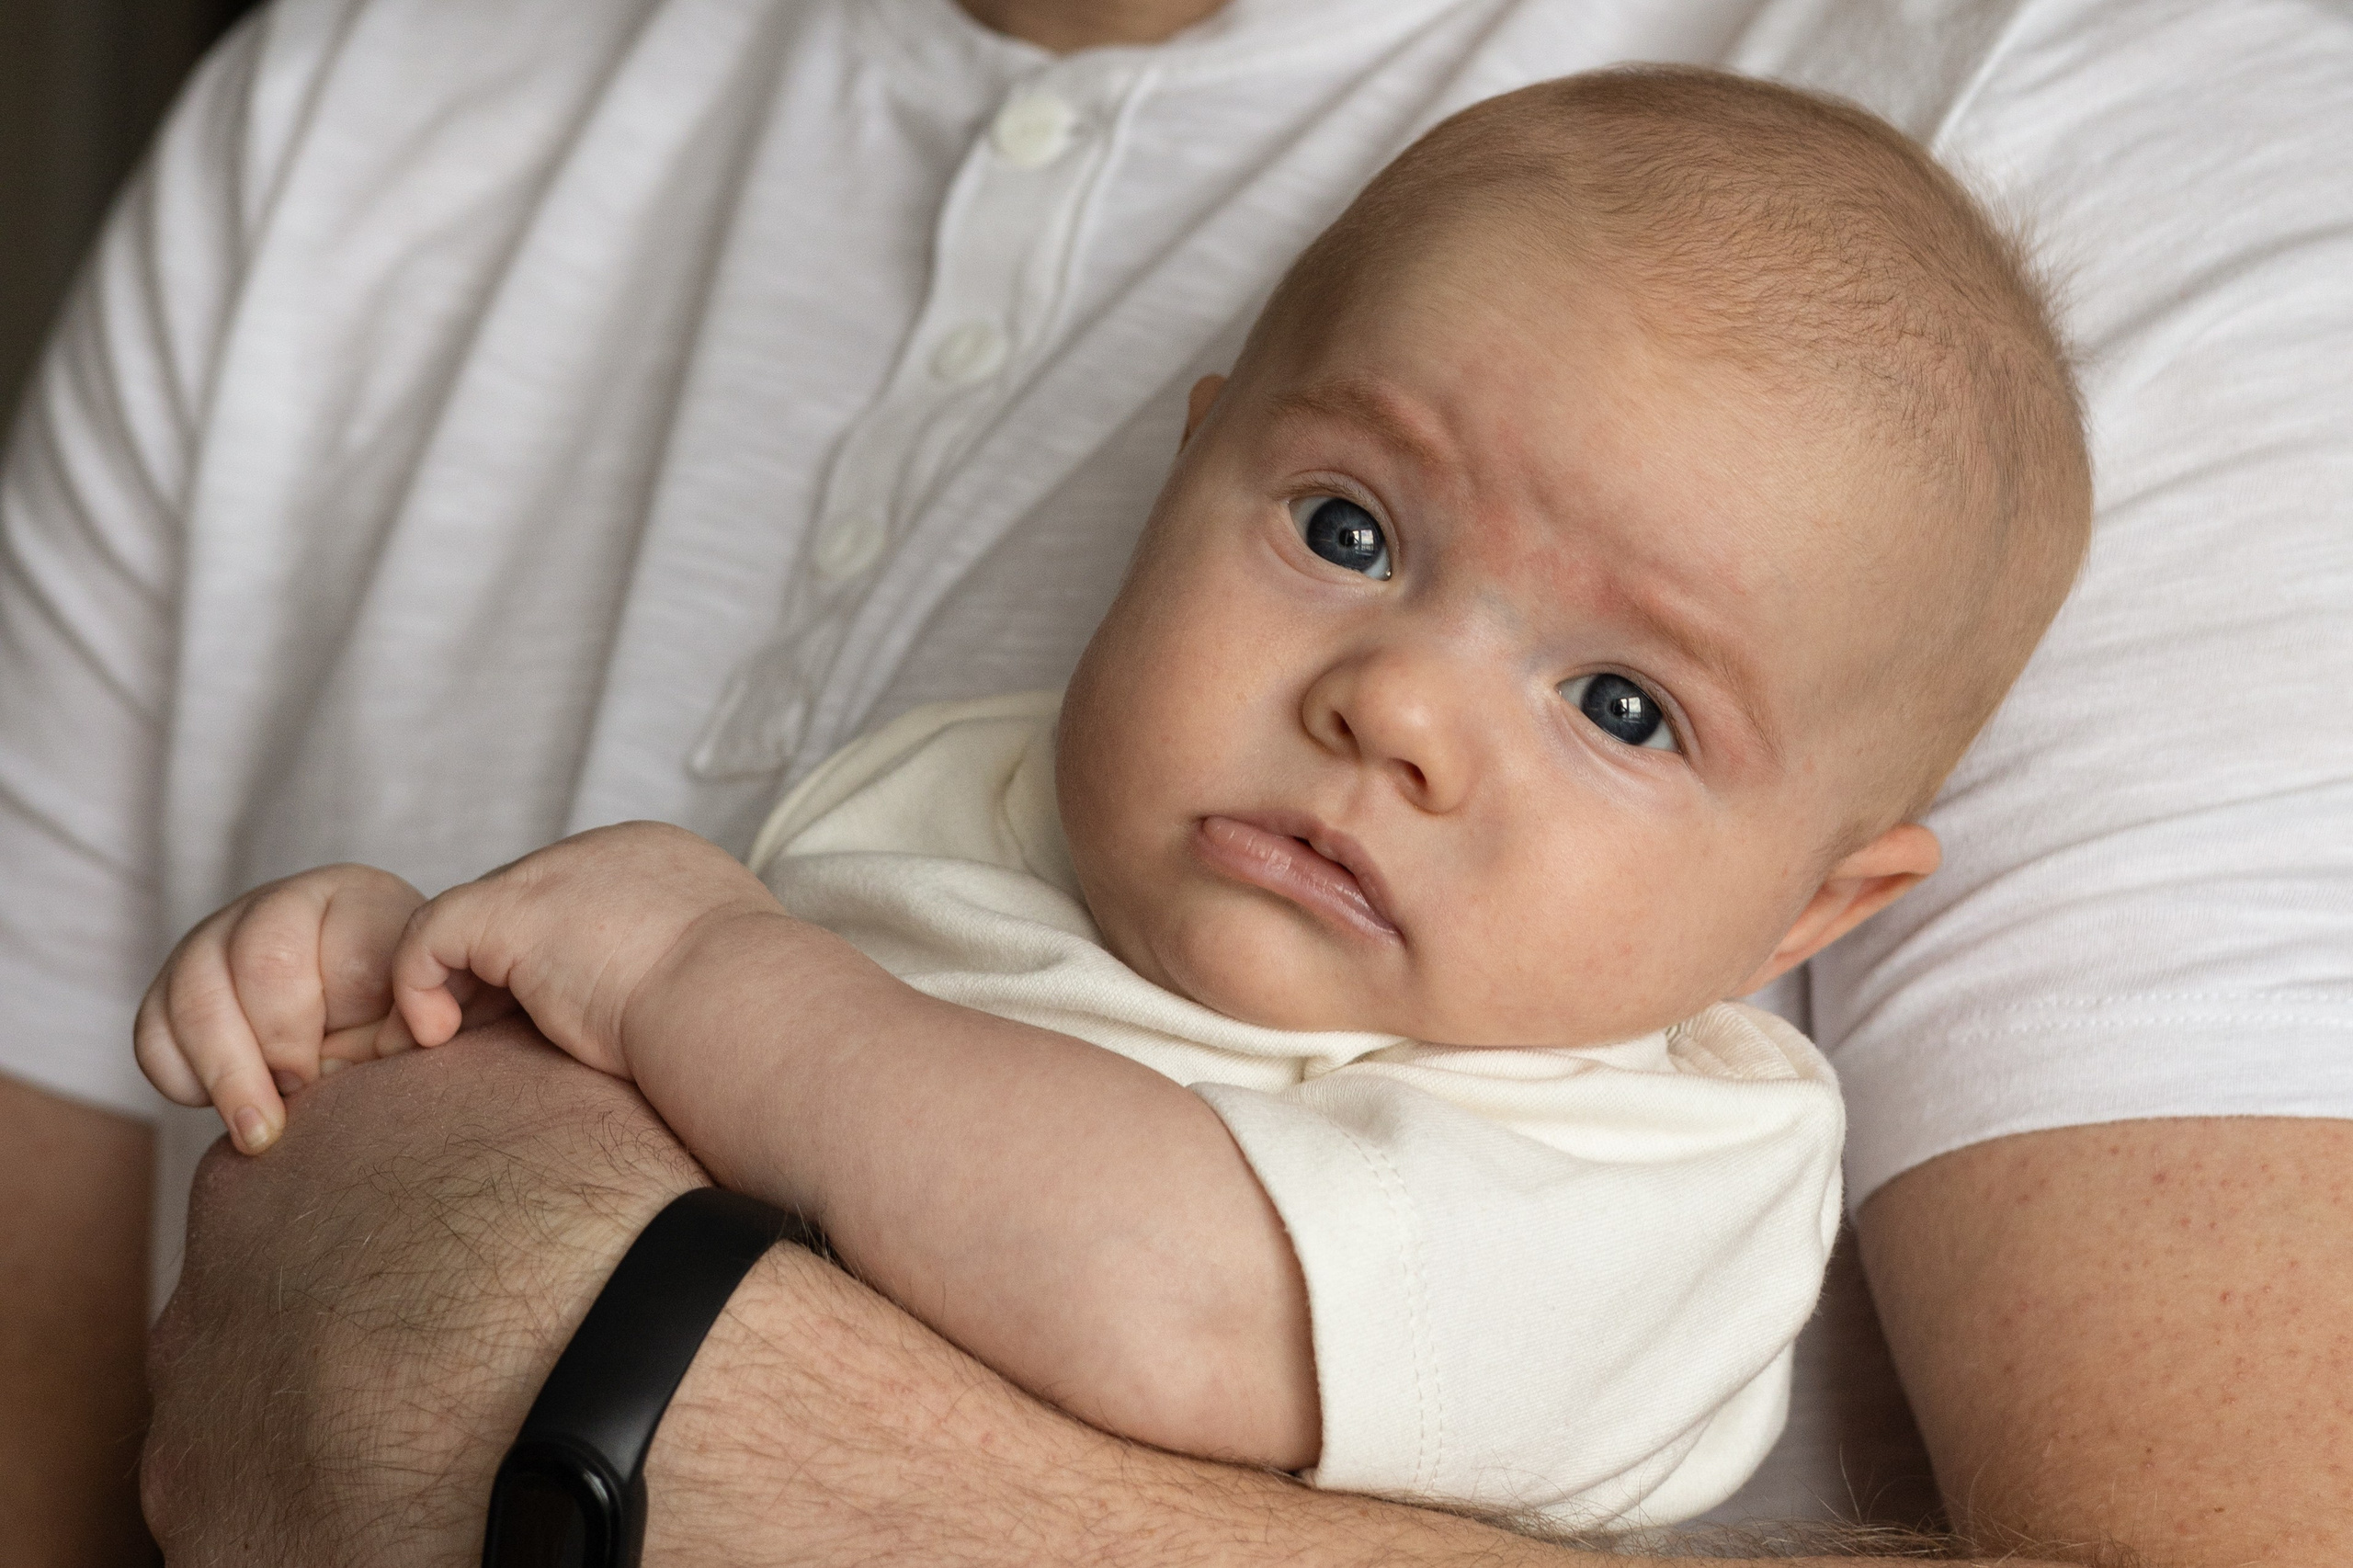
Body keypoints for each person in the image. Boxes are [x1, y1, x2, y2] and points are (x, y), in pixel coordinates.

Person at [3, 0, 2347, 1562]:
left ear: (1807, 917)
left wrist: (682, 967)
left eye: (1622, 709)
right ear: (1191, 451)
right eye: (1346, 535)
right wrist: (392, 982)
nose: (1399, 708)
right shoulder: (966, 800)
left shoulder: (1647, 1155)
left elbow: (1147, 1290)